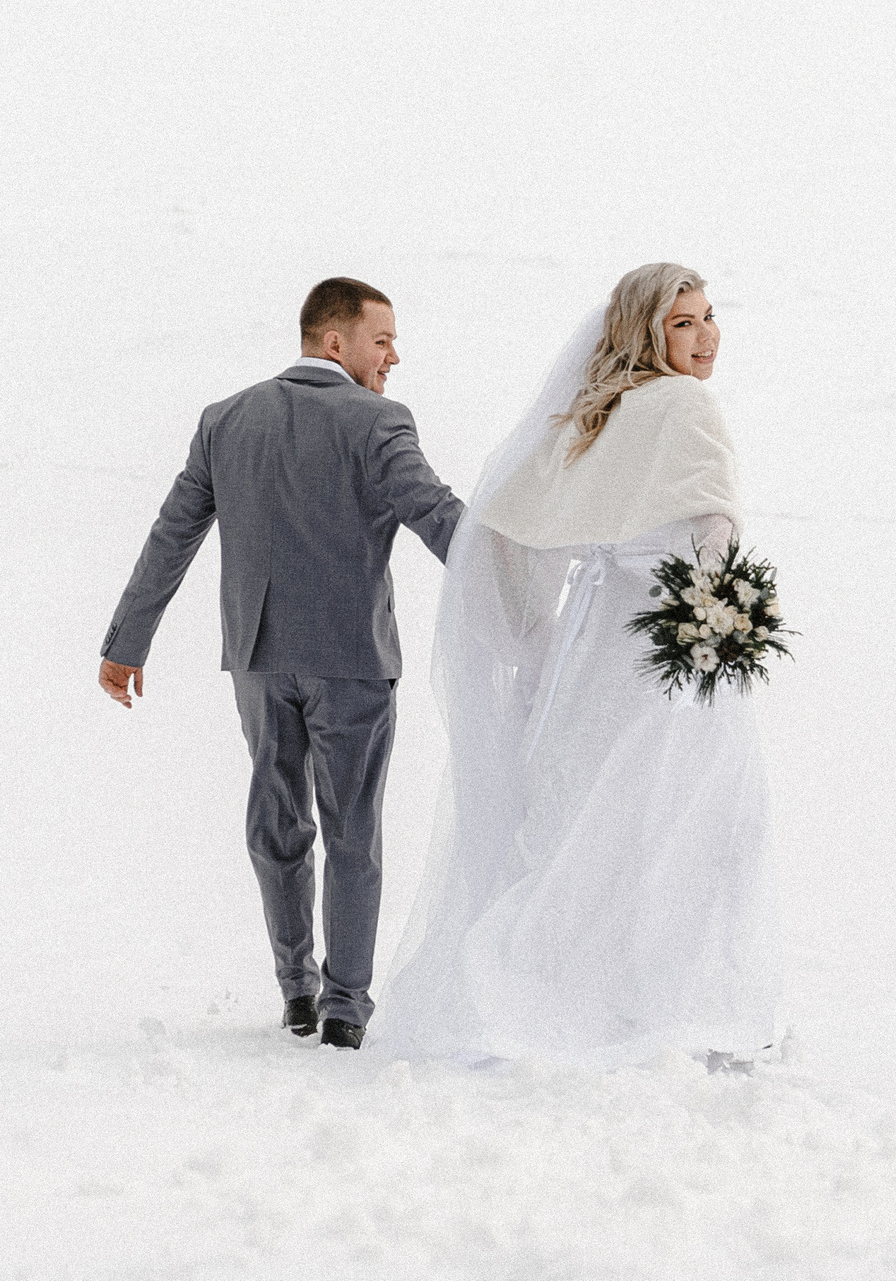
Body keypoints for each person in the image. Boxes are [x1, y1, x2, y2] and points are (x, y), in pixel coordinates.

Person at [377, 263, 784, 1065]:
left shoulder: (596, 414)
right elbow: (715, 532)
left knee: (585, 822)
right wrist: (717, 627)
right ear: (644, 332)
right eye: (683, 323)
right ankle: (667, 1004)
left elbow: (509, 534)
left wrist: (534, 639)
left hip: (593, 647)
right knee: (695, 822)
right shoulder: (688, 405)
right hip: (672, 649)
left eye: (708, 317)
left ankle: (558, 991)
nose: (706, 337)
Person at [97, 277, 462, 1050]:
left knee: (277, 821)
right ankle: (344, 1009)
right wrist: (521, 588)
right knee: (352, 832)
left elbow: (173, 533)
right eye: (382, 340)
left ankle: (297, 990)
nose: (394, 357)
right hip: (352, 660)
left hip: (258, 660)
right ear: (335, 341)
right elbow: (437, 515)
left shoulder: (227, 419)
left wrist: (127, 643)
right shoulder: (380, 421)